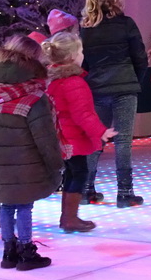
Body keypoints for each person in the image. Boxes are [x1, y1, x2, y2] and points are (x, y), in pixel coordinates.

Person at [0, 34, 63, 271]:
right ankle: (27, 251)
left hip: (1, 162)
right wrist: (56, 163)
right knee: (25, 206)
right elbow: (45, 138)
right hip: (27, 162)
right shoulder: (34, 96)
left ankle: (9, 251)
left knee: (7, 205)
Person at [79, 0, 148, 207]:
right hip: (124, 88)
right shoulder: (127, 24)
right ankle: (125, 193)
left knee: (95, 138)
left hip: (97, 89)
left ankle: (86, 189)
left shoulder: (86, 29)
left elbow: (85, 63)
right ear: (117, 0)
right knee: (123, 142)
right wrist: (133, 82)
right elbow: (140, 58)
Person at [42, 31, 116, 233]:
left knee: (73, 173)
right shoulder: (74, 83)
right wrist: (101, 131)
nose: (84, 54)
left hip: (61, 136)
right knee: (80, 172)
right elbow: (82, 114)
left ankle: (67, 217)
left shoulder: (54, 81)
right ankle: (70, 218)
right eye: (81, 50)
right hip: (72, 138)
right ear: (73, 56)